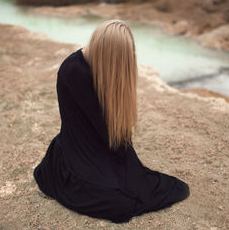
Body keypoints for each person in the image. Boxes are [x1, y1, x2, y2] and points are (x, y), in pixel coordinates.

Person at [33, 19, 189, 223]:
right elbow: (105, 129)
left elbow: (112, 133)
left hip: (99, 146)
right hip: (77, 154)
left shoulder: (96, 66)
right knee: (122, 204)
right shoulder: (74, 71)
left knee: (151, 188)